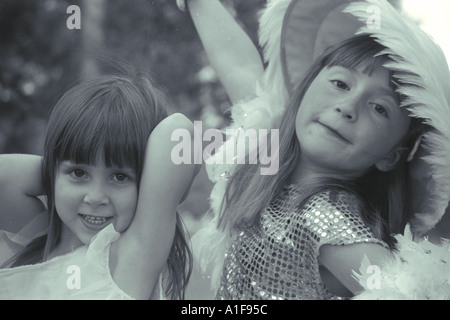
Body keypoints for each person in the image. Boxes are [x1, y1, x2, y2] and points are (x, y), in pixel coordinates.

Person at [178, 0, 450, 299]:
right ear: (306, 86)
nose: (348, 107)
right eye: (340, 83)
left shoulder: (327, 216)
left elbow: (406, 291)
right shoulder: (267, 154)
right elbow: (239, 67)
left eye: (379, 108)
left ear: (391, 156)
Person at [0, 66, 199, 299]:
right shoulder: (36, 241)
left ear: (146, 182)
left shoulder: (129, 258)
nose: (95, 197)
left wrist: (158, 193)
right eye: (79, 173)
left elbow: (178, 131)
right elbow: (5, 176)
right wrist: (58, 167)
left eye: (119, 177)